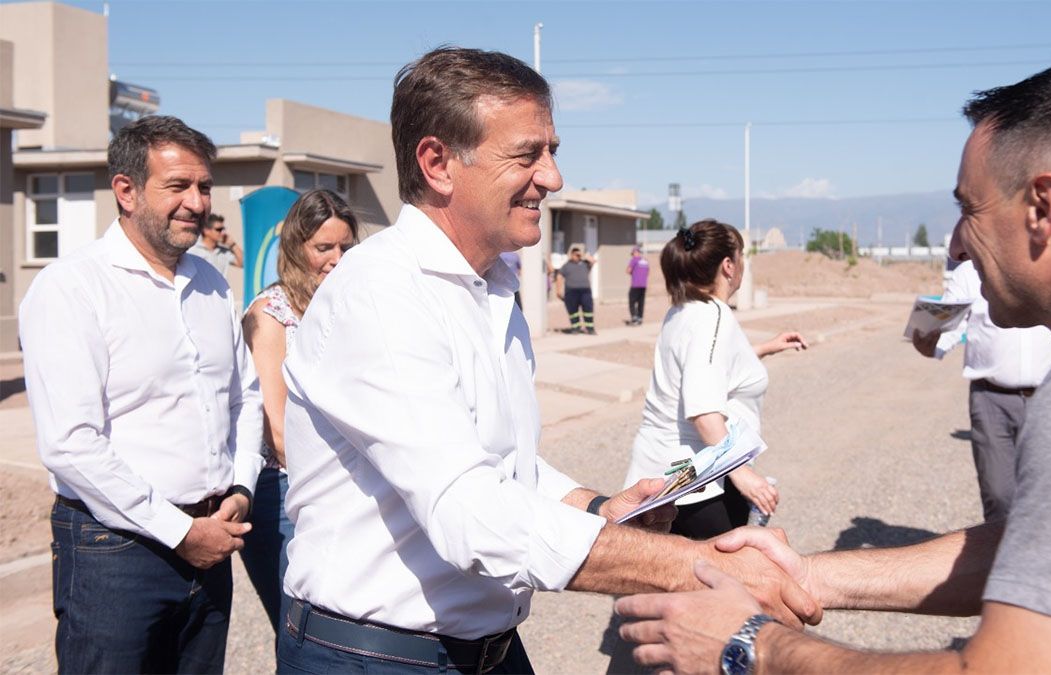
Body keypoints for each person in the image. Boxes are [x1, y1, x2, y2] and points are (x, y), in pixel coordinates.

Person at [617, 59, 1051, 674]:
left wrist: (751, 646)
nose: (956, 242)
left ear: (1042, 207)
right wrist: (807, 575)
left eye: (968, 208)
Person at [277, 47, 817, 674]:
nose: (553, 177)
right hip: (377, 656)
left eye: (552, 150)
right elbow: (472, 513)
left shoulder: (491, 288)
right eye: (528, 153)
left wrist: (594, 507)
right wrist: (702, 568)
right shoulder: (380, 294)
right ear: (438, 162)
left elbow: (498, 458)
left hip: (485, 648)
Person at [19, 115, 263, 673]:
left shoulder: (209, 283)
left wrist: (242, 487)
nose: (197, 203)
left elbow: (243, 398)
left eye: (204, 187)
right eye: (178, 186)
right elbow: (72, 444)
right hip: (116, 550)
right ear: (125, 191)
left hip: (212, 537)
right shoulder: (72, 288)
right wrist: (180, 532)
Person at [624, 220, 806, 540]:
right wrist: (744, 475)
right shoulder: (714, 317)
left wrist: (764, 348)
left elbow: (706, 368)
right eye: (742, 256)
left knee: (681, 577)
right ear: (728, 266)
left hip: (666, 468)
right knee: (722, 579)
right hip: (694, 478)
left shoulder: (684, 309)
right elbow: (704, 412)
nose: (743, 265)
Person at [239, 188, 358, 646]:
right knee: (301, 634)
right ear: (295, 248)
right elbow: (277, 424)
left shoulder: (345, 307)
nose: (337, 258)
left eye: (345, 246)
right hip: (286, 491)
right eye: (323, 248)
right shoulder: (270, 315)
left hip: (341, 481)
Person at [911, 258, 1051, 521]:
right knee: (999, 497)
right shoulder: (969, 273)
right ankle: (998, 560)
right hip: (991, 402)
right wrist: (924, 339)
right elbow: (940, 335)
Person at [557, 244, 596, 333]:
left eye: (578, 254)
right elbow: (559, 276)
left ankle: (590, 329)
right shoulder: (566, 265)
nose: (577, 256)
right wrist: (558, 290)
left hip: (585, 291)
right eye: (575, 254)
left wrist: (583, 256)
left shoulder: (585, 264)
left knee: (588, 309)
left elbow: (593, 261)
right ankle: (575, 328)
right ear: (571, 254)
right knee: (573, 310)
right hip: (571, 291)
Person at [625, 244, 650, 325]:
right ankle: (640, 318)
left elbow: (628, 270)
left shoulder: (634, 260)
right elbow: (648, 273)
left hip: (635, 285)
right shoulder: (645, 261)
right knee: (641, 302)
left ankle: (634, 318)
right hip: (643, 285)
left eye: (633, 253)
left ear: (636, 252)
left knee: (632, 301)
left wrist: (633, 273)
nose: (632, 255)